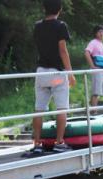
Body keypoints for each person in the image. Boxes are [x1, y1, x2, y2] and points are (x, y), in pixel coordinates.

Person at [31, 0, 76, 154]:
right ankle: (59, 142)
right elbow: (63, 50)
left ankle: (37, 143)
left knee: (39, 109)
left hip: (41, 74)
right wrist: (70, 73)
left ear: (44, 8)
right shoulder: (60, 26)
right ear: (60, 9)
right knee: (61, 108)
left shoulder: (37, 26)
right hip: (57, 76)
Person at [84, 25, 103, 113]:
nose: (101, 34)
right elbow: (86, 53)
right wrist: (92, 66)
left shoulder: (101, 43)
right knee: (96, 93)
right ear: (95, 33)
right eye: (99, 32)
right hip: (97, 71)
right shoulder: (93, 42)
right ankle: (93, 114)